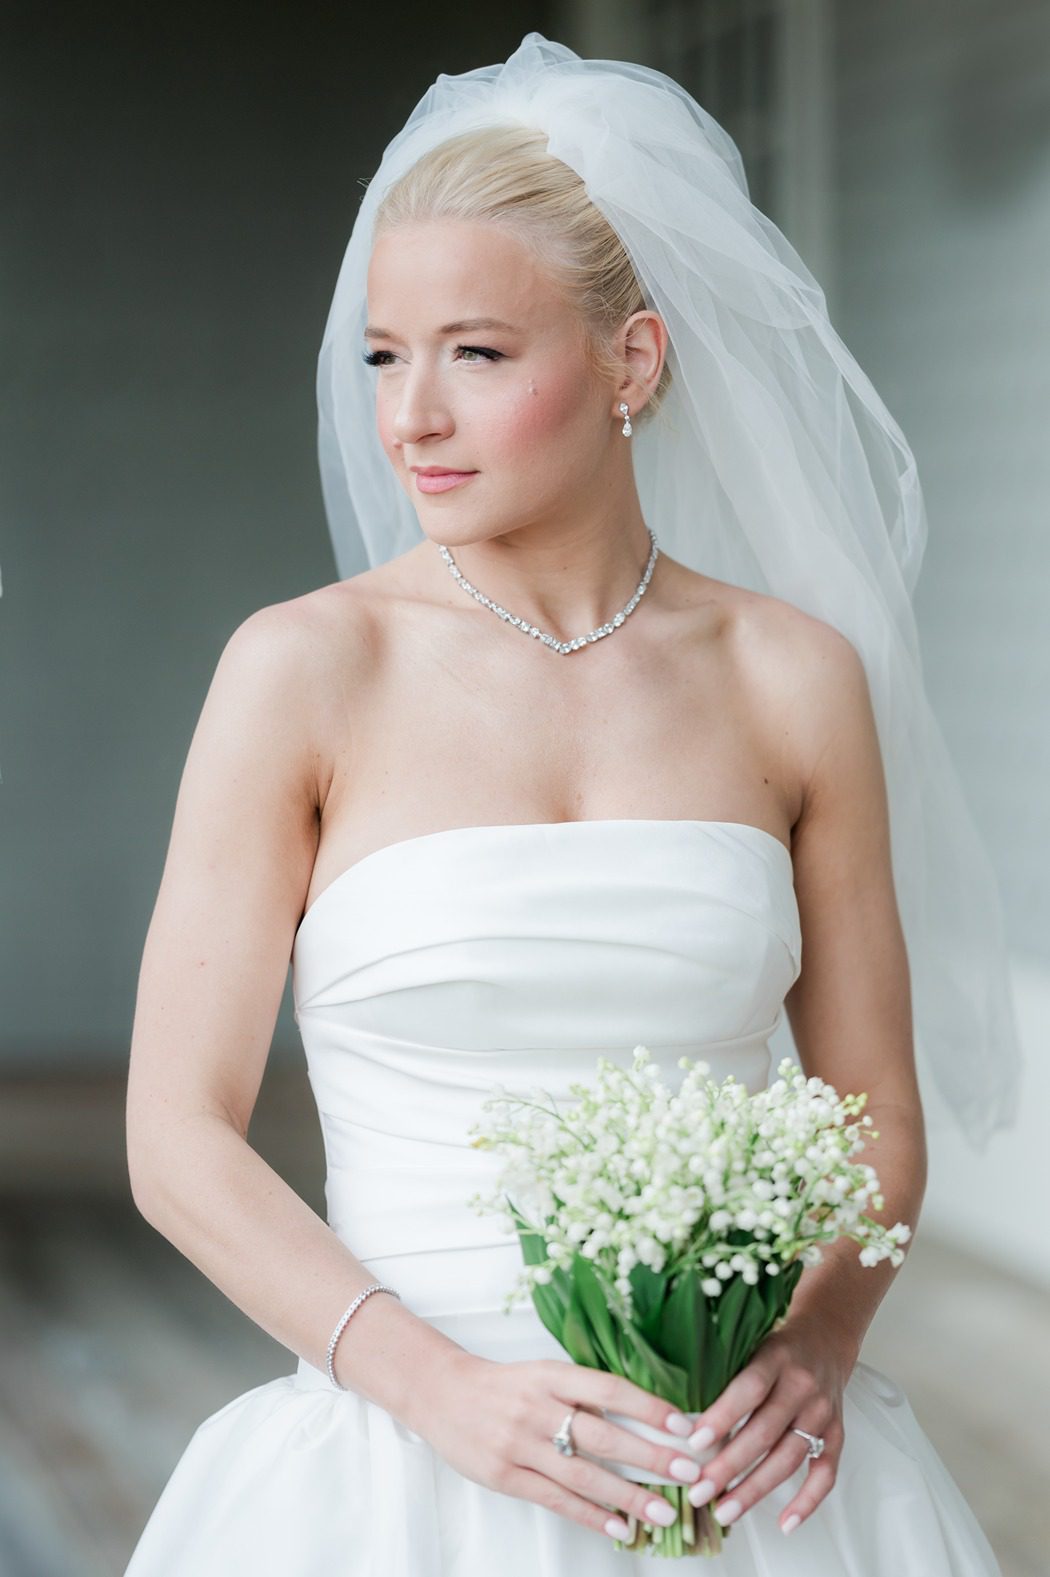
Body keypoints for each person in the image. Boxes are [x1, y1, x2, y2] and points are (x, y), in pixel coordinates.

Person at [124, 32, 1015, 1575]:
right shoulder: (300, 671)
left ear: (632, 364)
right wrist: (434, 1388)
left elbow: (871, 1112)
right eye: (383, 357)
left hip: (738, 1464)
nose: (411, 417)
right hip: (402, 1456)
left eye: (476, 352)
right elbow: (173, 1134)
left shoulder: (792, 676)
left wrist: (814, 1346)